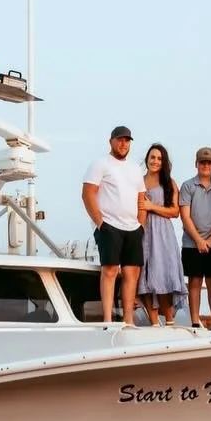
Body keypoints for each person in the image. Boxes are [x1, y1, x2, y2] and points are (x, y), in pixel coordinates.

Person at [81, 125, 147, 325]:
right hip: (109, 225)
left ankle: (128, 320)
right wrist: (100, 223)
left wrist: (141, 225)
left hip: (132, 227)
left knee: (131, 272)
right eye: (120, 139)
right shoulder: (100, 164)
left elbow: (141, 198)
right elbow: (88, 194)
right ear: (111, 141)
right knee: (110, 270)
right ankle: (108, 319)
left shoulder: (135, 168)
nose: (123, 144)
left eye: (127, 140)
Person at [178, 146, 211, 329]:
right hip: (192, 243)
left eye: (209, 162)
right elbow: (185, 215)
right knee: (195, 282)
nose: (205, 165)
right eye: (202, 162)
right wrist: (198, 240)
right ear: (196, 163)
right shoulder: (187, 186)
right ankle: (195, 321)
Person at [137, 143, 186, 326]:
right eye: (152, 157)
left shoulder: (169, 183)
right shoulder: (138, 181)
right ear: (147, 159)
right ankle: (154, 322)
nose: (155, 161)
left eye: (159, 158)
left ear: (163, 162)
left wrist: (152, 207)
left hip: (163, 234)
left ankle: (170, 321)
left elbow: (174, 212)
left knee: (164, 274)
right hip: (142, 230)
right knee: (145, 276)